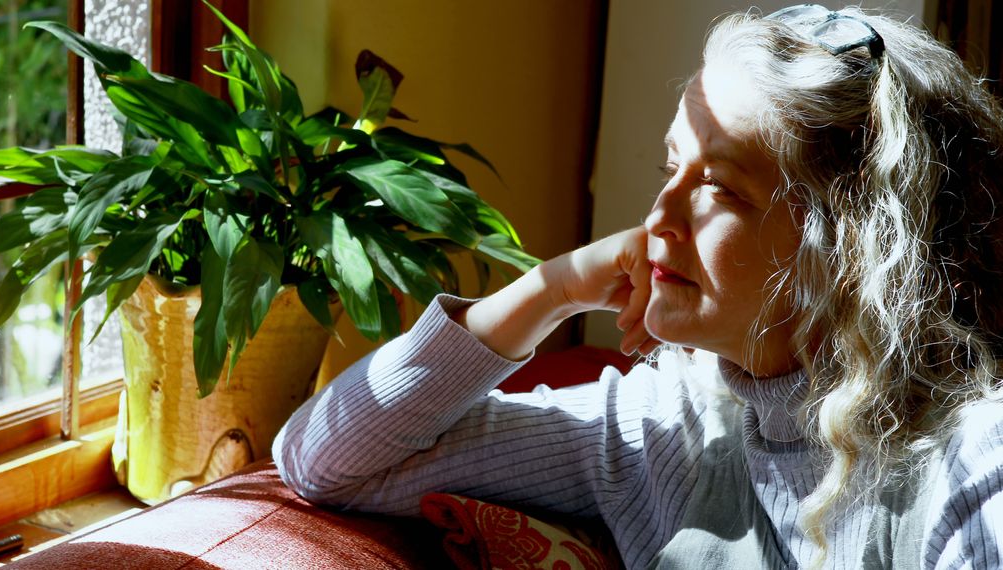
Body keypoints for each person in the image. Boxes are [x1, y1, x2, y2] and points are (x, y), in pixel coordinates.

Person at [274, 5, 1003, 568]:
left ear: (849, 245)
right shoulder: (661, 427)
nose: (659, 215)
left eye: (718, 187)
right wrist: (547, 292)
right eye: (669, 169)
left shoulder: (974, 462)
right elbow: (325, 461)